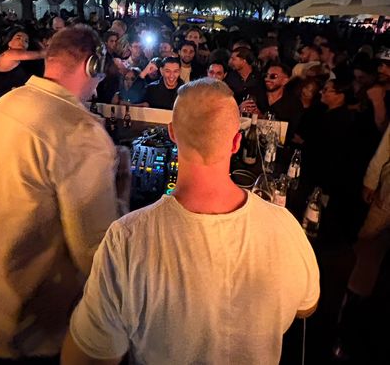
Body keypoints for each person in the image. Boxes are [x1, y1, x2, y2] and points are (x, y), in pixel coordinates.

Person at [62, 78, 320, 365]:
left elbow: (86, 356)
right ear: (236, 143)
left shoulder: (126, 239)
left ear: (172, 132)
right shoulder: (285, 226)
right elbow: (306, 306)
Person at [0, 24, 129, 361]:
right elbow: (94, 252)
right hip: (31, 324)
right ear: (91, 66)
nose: (98, 85)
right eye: (99, 75)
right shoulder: (79, 131)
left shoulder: (7, 103)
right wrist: (122, 186)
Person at [333, 123, 390, 361]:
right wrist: (371, 180)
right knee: (366, 252)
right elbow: (385, 148)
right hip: (387, 198)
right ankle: (343, 312)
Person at [0, 28, 46, 98]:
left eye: (26, 41)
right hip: (7, 100)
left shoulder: (22, 62)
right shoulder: (6, 55)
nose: (22, 41)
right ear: (9, 42)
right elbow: (41, 54)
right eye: (18, 38)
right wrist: (38, 42)